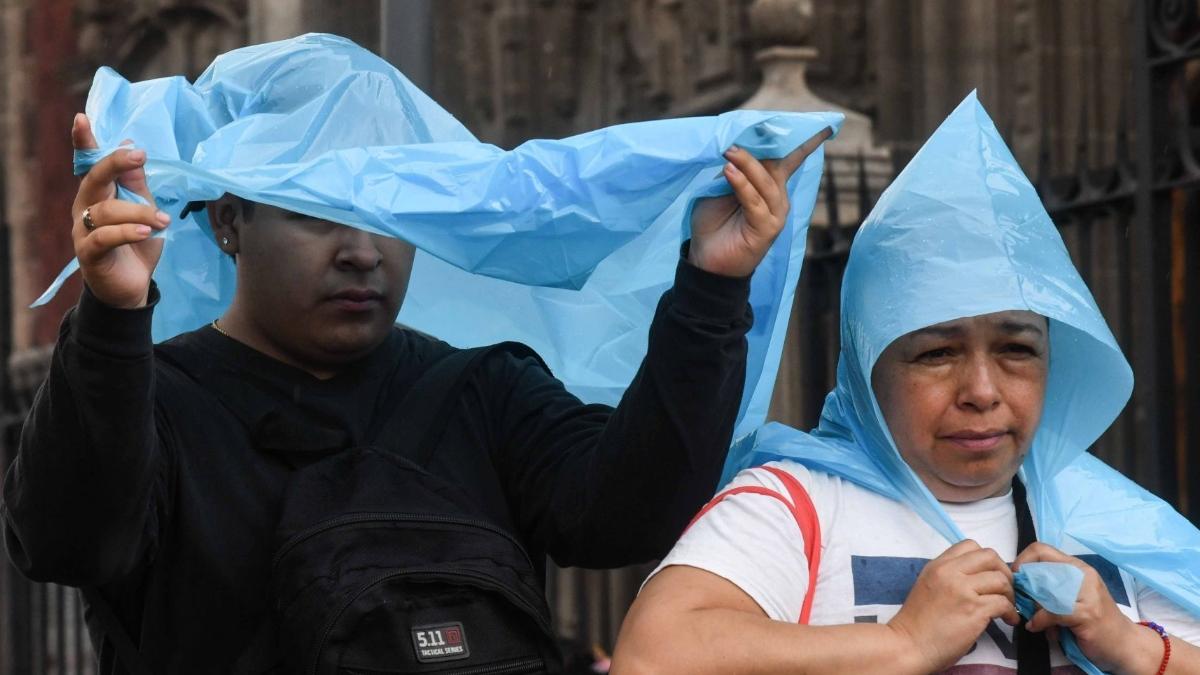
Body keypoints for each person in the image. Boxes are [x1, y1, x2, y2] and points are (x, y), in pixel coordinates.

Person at [0, 37, 832, 673]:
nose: (363, 251)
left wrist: (710, 290)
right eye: (319, 214)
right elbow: (67, 542)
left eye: (389, 217)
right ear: (227, 223)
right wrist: (111, 321)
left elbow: (627, 511)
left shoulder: (480, 388)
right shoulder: (158, 402)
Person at [611, 93, 1200, 674]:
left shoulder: (1114, 521)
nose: (982, 390)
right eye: (937, 353)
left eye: (1017, 349)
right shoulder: (796, 505)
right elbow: (652, 657)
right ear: (870, 369)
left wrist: (1131, 646)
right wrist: (904, 645)